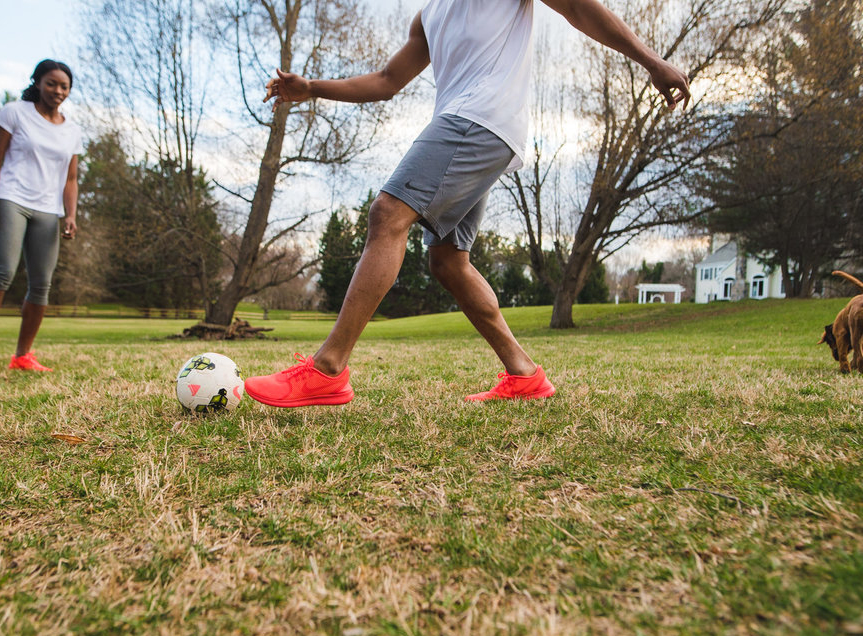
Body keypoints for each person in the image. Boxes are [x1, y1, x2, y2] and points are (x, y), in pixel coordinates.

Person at [246, 0, 690, 407]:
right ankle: (525, 375)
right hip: (472, 126)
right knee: (448, 261)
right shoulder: (429, 15)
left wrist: (652, 62)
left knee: (388, 213)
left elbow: (576, 6)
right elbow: (386, 82)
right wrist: (313, 88)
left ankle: (327, 369)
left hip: (480, 120)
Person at [0, 59, 83, 373]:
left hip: (48, 208)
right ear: (38, 83)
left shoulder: (71, 130)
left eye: (64, 86)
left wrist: (71, 215)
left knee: (41, 284)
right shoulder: (14, 112)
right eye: (51, 83)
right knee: (2, 273)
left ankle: (22, 355)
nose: (58, 90)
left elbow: (71, 179)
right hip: (11, 197)